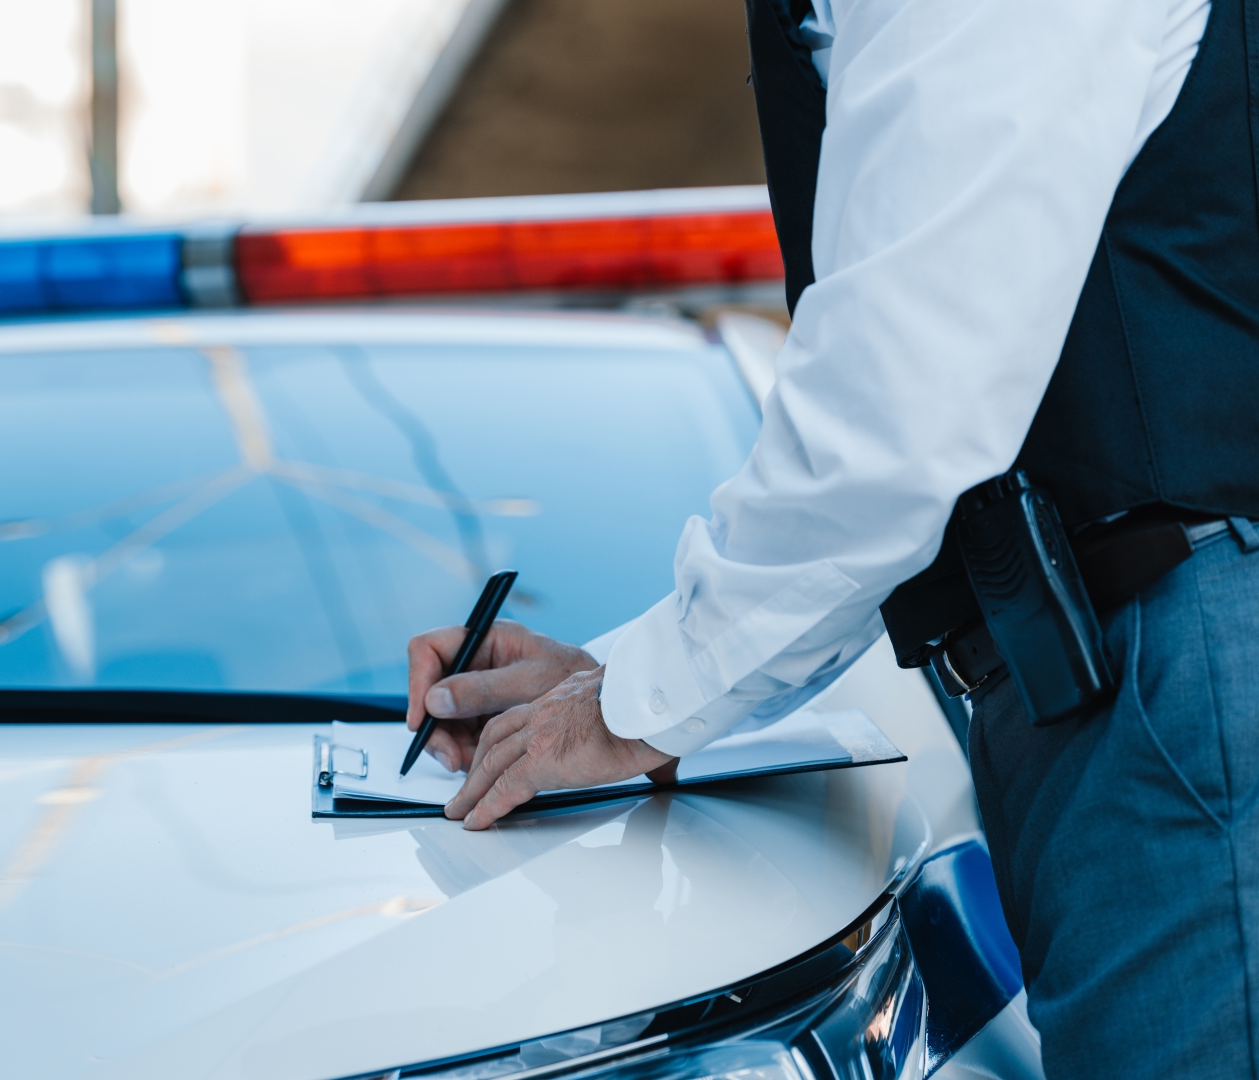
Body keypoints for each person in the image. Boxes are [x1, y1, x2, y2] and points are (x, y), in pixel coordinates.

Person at [404, 0, 1259, 1074]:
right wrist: (613, 680)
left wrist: (631, 704)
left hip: (1177, 672)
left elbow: (899, 405)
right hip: (1142, 669)